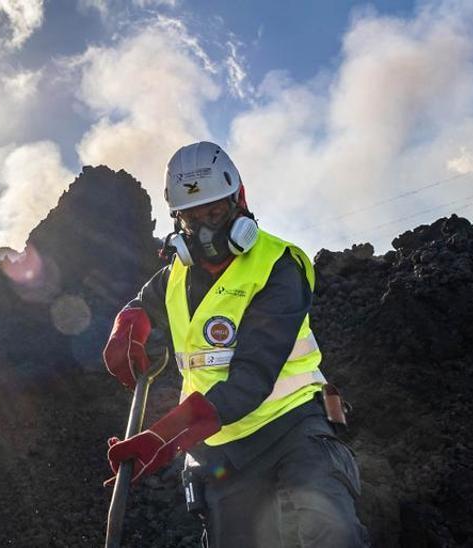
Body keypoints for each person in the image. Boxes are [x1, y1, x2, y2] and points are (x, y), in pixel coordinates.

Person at [103, 142, 369, 547]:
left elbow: (252, 376)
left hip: (291, 428)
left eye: (215, 212)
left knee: (330, 532)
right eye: (193, 219)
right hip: (220, 449)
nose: (206, 230)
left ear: (239, 200)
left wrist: (163, 435)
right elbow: (142, 305)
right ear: (178, 222)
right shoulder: (175, 275)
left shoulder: (280, 266)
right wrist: (126, 329)